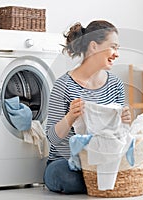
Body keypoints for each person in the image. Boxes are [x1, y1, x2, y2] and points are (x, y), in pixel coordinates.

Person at [43, 20, 131, 194]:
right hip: (67, 161)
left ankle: (99, 180)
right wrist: (70, 117)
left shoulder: (116, 85)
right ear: (94, 46)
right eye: (113, 47)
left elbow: (118, 136)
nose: (117, 54)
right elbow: (52, 139)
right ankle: (101, 182)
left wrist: (125, 121)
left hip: (103, 159)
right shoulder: (64, 85)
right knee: (65, 177)